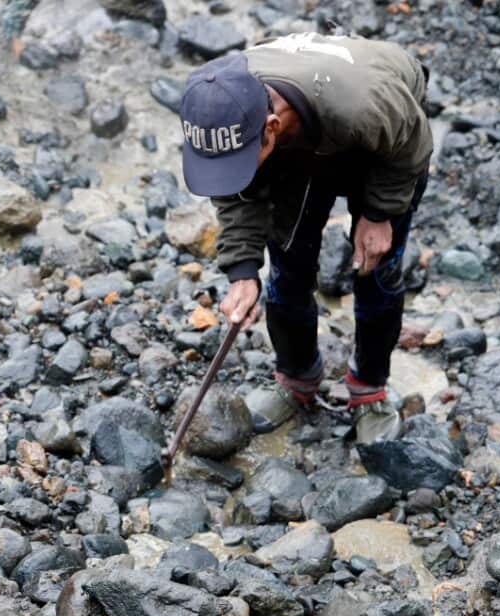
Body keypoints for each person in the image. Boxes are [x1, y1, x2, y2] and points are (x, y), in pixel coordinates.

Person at [178, 32, 432, 443]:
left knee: (375, 268)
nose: (230, 172)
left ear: (272, 128)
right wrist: (242, 269)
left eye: (241, 161)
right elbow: (234, 191)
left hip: (386, 142)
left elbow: (412, 143)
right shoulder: (217, 109)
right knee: (287, 265)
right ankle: (297, 376)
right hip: (303, 139)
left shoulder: (366, 106)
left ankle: (369, 387)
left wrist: (379, 213)